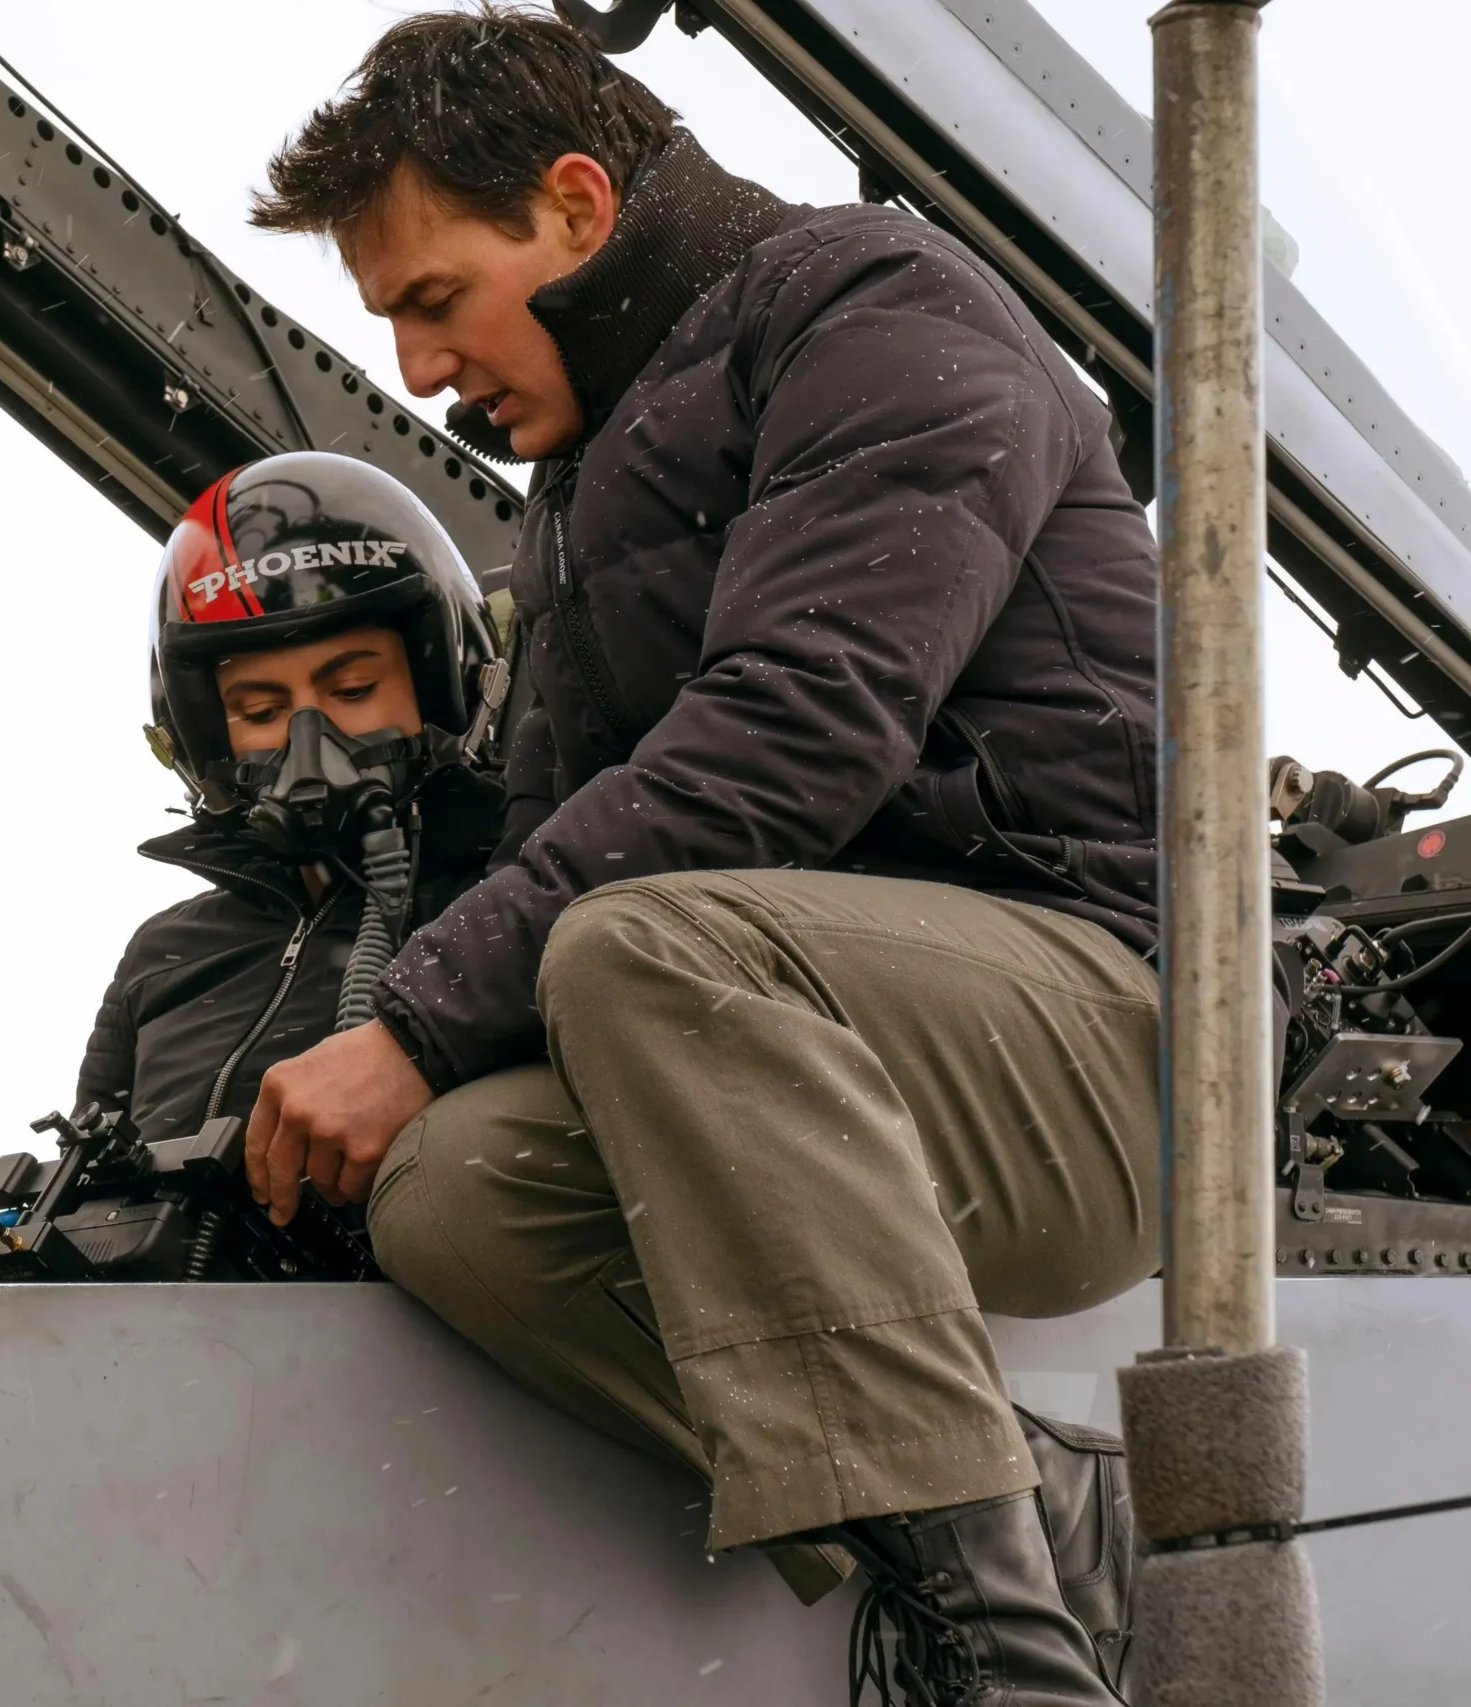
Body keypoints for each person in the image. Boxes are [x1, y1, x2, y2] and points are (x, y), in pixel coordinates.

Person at [240, 10, 1157, 1704]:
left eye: (434, 300)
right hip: (816, 1063)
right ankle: (1033, 1511)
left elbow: (798, 729)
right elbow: (549, 835)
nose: (420, 372)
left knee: (639, 948)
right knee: (453, 1194)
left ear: (578, 206)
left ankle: (1018, 1670)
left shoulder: (880, 308)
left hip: (1111, 1043)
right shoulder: (582, 489)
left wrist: (422, 1024)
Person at [0, 451, 508, 1283]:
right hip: (156, 1371)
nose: (308, 744)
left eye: (354, 688)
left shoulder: (504, 915)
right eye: (261, 710)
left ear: (438, 682)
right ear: (213, 732)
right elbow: (91, 1224)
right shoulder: (165, 954)